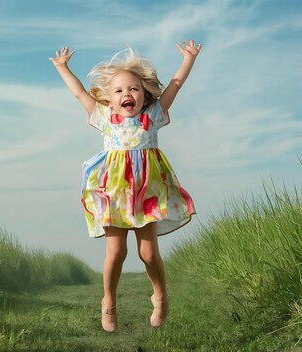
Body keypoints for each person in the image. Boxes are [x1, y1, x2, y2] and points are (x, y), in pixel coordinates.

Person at [49, 42, 200, 332]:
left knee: (148, 254)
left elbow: (175, 85)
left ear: (144, 95)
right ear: (109, 98)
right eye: (118, 91)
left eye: (133, 89)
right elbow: (80, 92)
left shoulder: (152, 115)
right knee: (116, 252)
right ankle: (109, 302)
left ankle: (161, 296)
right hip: (114, 194)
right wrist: (63, 68)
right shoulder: (105, 118)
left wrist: (188, 59)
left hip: (147, 193)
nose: (126, 94)